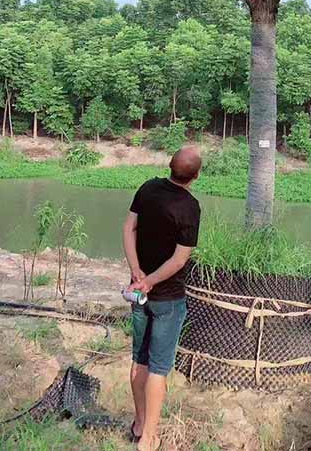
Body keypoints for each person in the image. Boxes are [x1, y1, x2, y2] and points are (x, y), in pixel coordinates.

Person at [122, 146, 202, 451]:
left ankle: (139, 423)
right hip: (167, 300)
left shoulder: (148, 188)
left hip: (139, 293)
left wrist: (137, 273)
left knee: (138, 362)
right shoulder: (190, 207)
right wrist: (151, 282)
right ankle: (148, 439)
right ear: (196, 176)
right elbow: (179, 260)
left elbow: (129, 227)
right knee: (157, 369)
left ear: (169, 166)